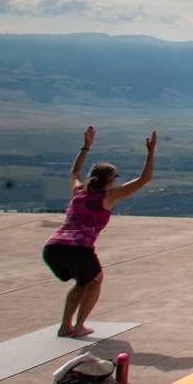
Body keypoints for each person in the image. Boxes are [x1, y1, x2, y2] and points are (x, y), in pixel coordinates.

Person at [42, 127, 156, 338]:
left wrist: (86, 146)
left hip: (53, 247)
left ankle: (65, 325)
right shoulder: (109, 196)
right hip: (78, 249)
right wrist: (150, 152)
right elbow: (144, 178)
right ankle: (79, 326)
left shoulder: (79, 191)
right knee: (95, 280)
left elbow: (75, 172)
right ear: (110, 180)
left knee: (83, 282)